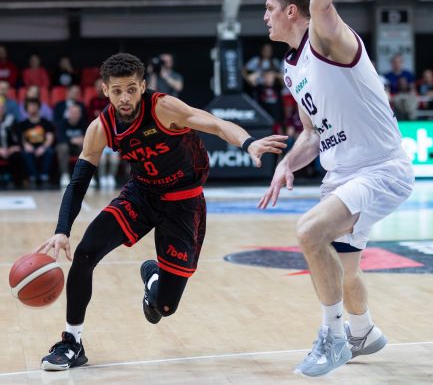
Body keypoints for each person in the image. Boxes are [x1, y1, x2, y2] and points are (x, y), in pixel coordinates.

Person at [35, 52, 287, 371]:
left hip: (183, 202)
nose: (124, 97)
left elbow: (216, 124)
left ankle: (153, 276)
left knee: (164, 308)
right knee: (85, 254)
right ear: (104, 90)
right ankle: (72, 342)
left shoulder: (164, 108)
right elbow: (79, 181)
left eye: (130, 89)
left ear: (142, 86)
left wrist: (248, 142)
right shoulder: (101, 128)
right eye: (116, 91)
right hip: (141, 194)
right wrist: (62, 230)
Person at [258, 0, 414, 378]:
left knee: (309, 232)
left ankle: (333, 337)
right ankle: (364, 332)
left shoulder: (328, 39)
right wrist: (286, 164)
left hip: (381, 168)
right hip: (343, 172)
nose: (264, 15)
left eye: (270, 7)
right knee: (346, 269)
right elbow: (311, 133)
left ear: (292, 11)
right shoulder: (293, 67)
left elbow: (323, 8)